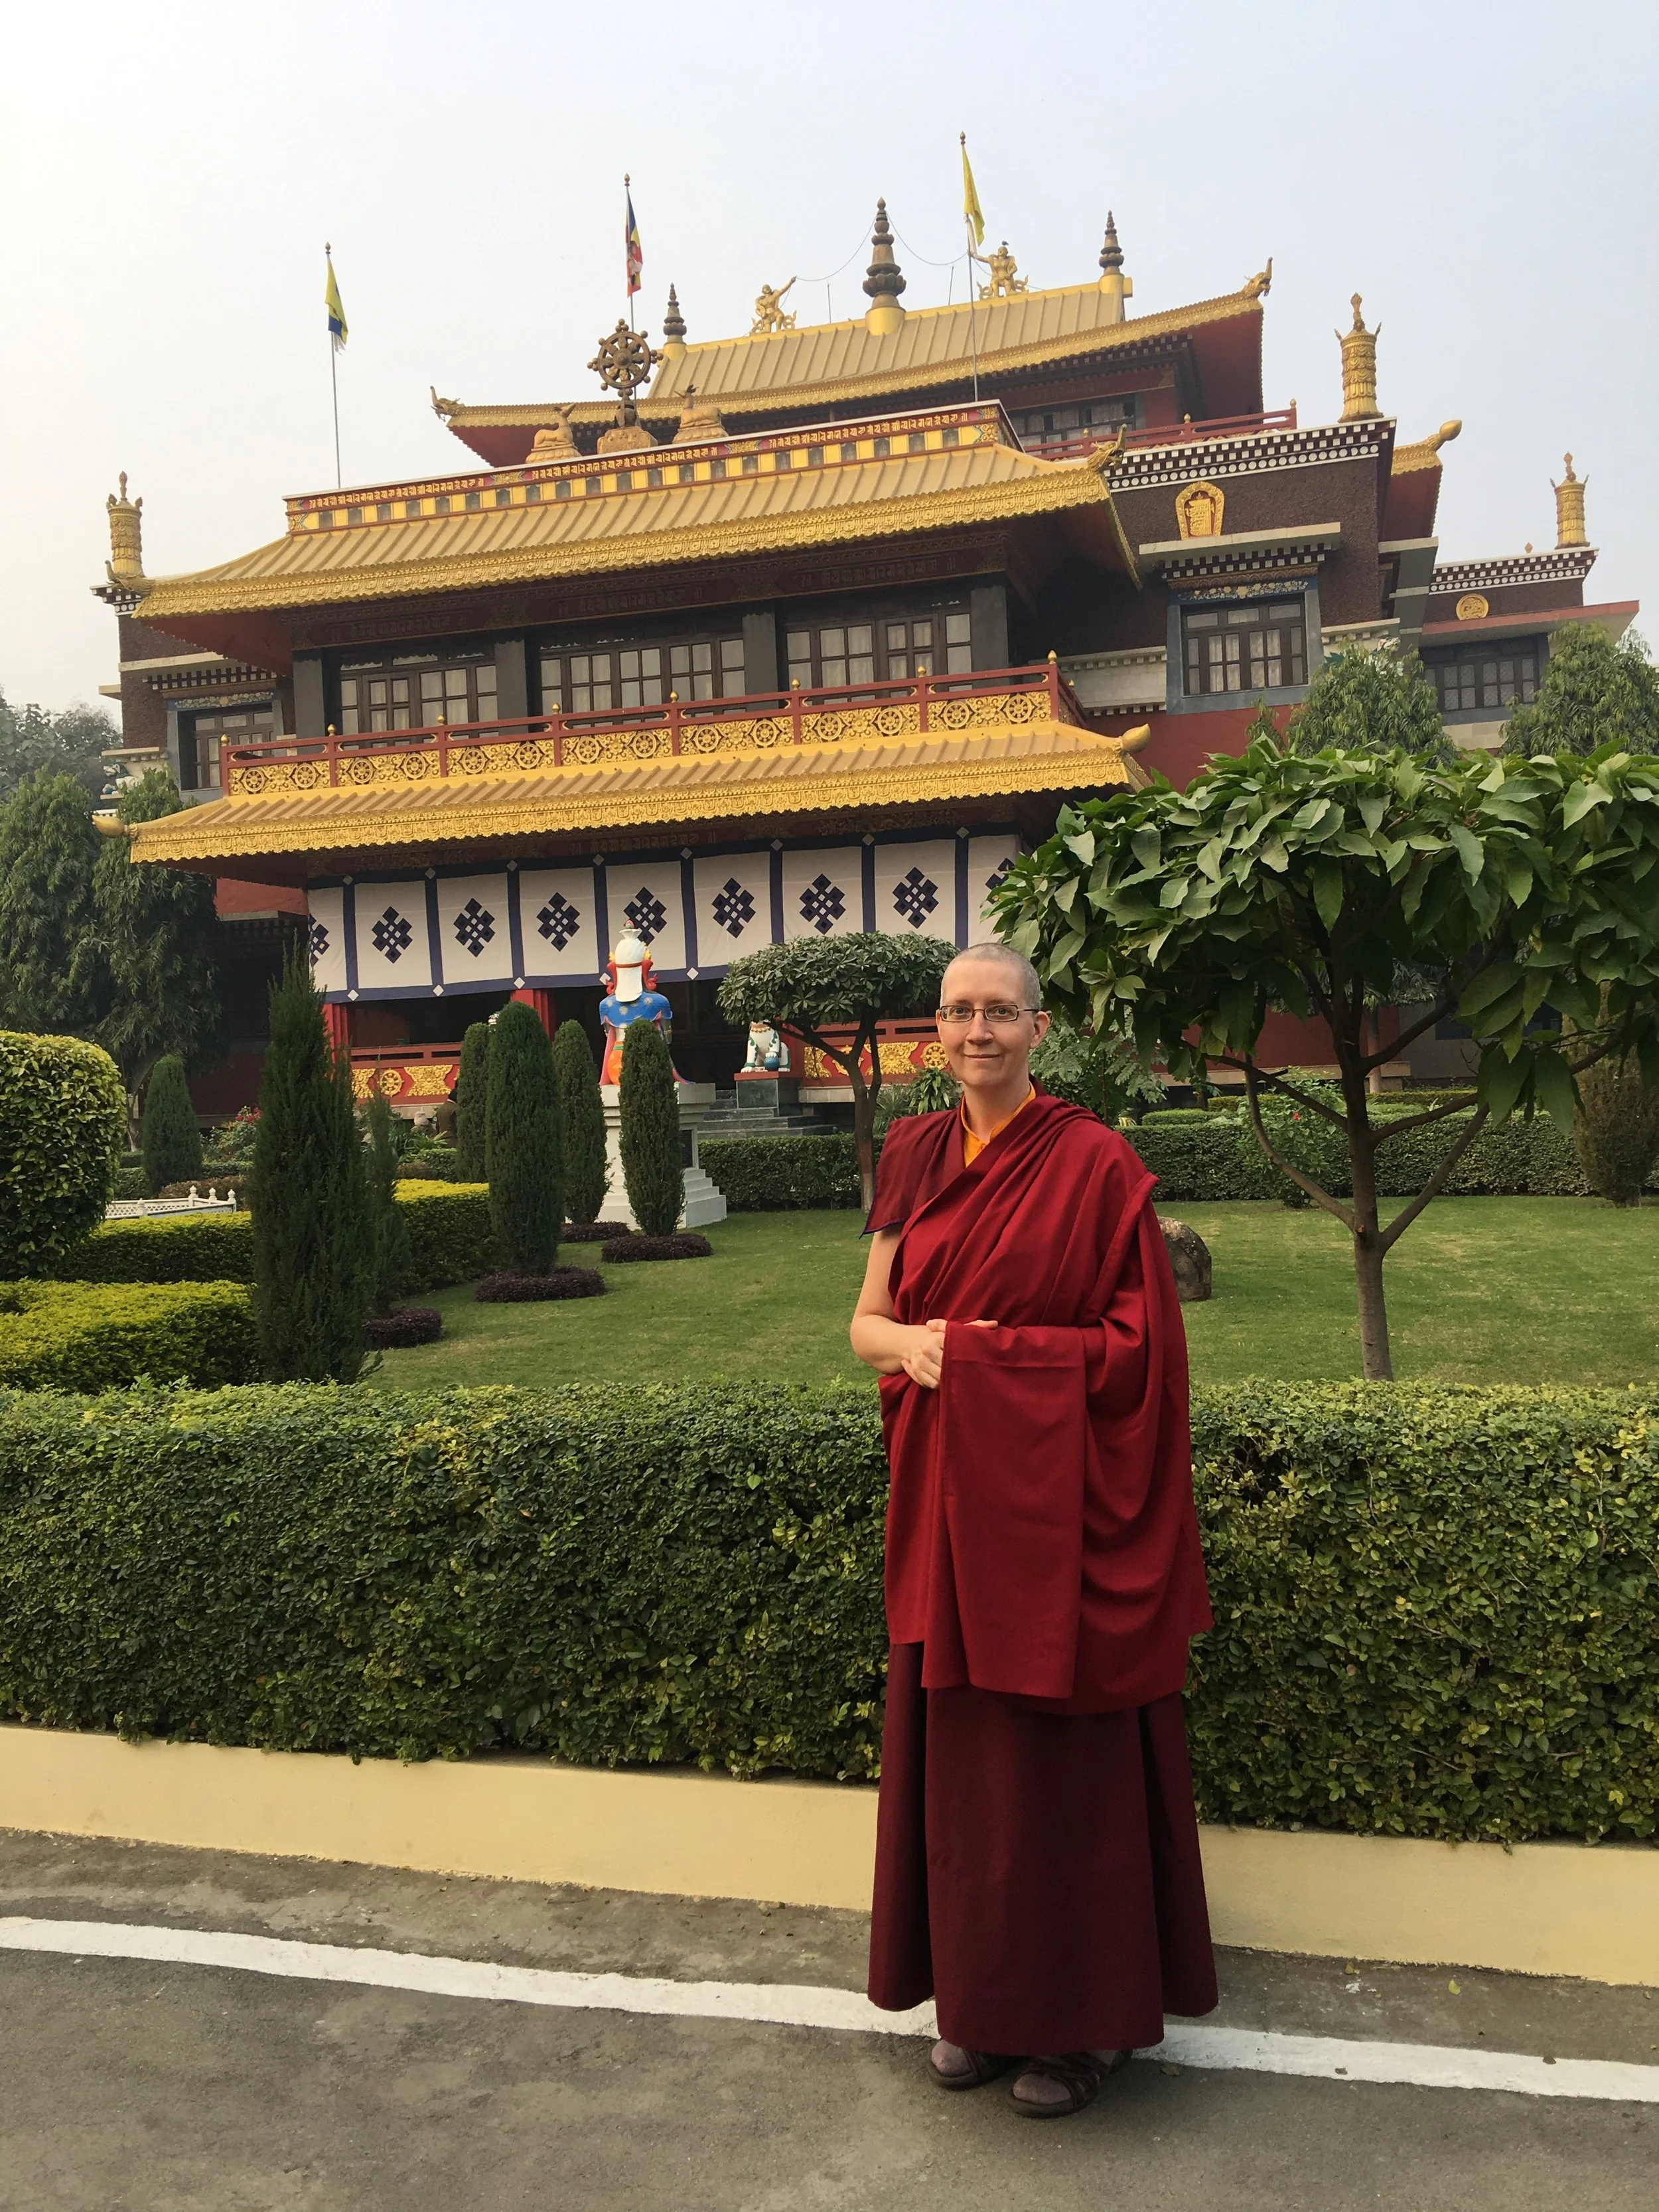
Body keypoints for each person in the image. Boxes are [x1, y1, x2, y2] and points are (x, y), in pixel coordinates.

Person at [849, 942, 1218, 2118]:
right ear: (936, 1031)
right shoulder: (911, 1155)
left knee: (1069, 1766)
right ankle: (982, 2008)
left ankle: (1086, 2033)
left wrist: (995, 1358)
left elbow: (1144, 1359)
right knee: (965, 1767)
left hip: (1064, 1519)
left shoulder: (1098, 1166)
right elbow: (868, 1322)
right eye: (958, 1014)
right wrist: (913, 1346)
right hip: (950, 1506)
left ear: (1038, 1028)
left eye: (998, 1013)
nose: (977, 1033)